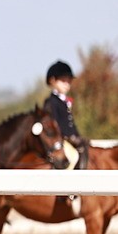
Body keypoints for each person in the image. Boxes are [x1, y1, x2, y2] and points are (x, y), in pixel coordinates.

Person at [44, 60, 86, 214]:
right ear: (52, 81)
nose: (67, 83)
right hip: (60, 141)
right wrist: (69, 138)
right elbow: (56, 126)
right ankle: (68, 193)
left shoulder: (63, 101)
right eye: (63, 80)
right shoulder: (51, 102)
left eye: (69, 80)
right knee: (72, 157)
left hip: (71, 138)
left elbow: (70, 124)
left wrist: (78, 137)